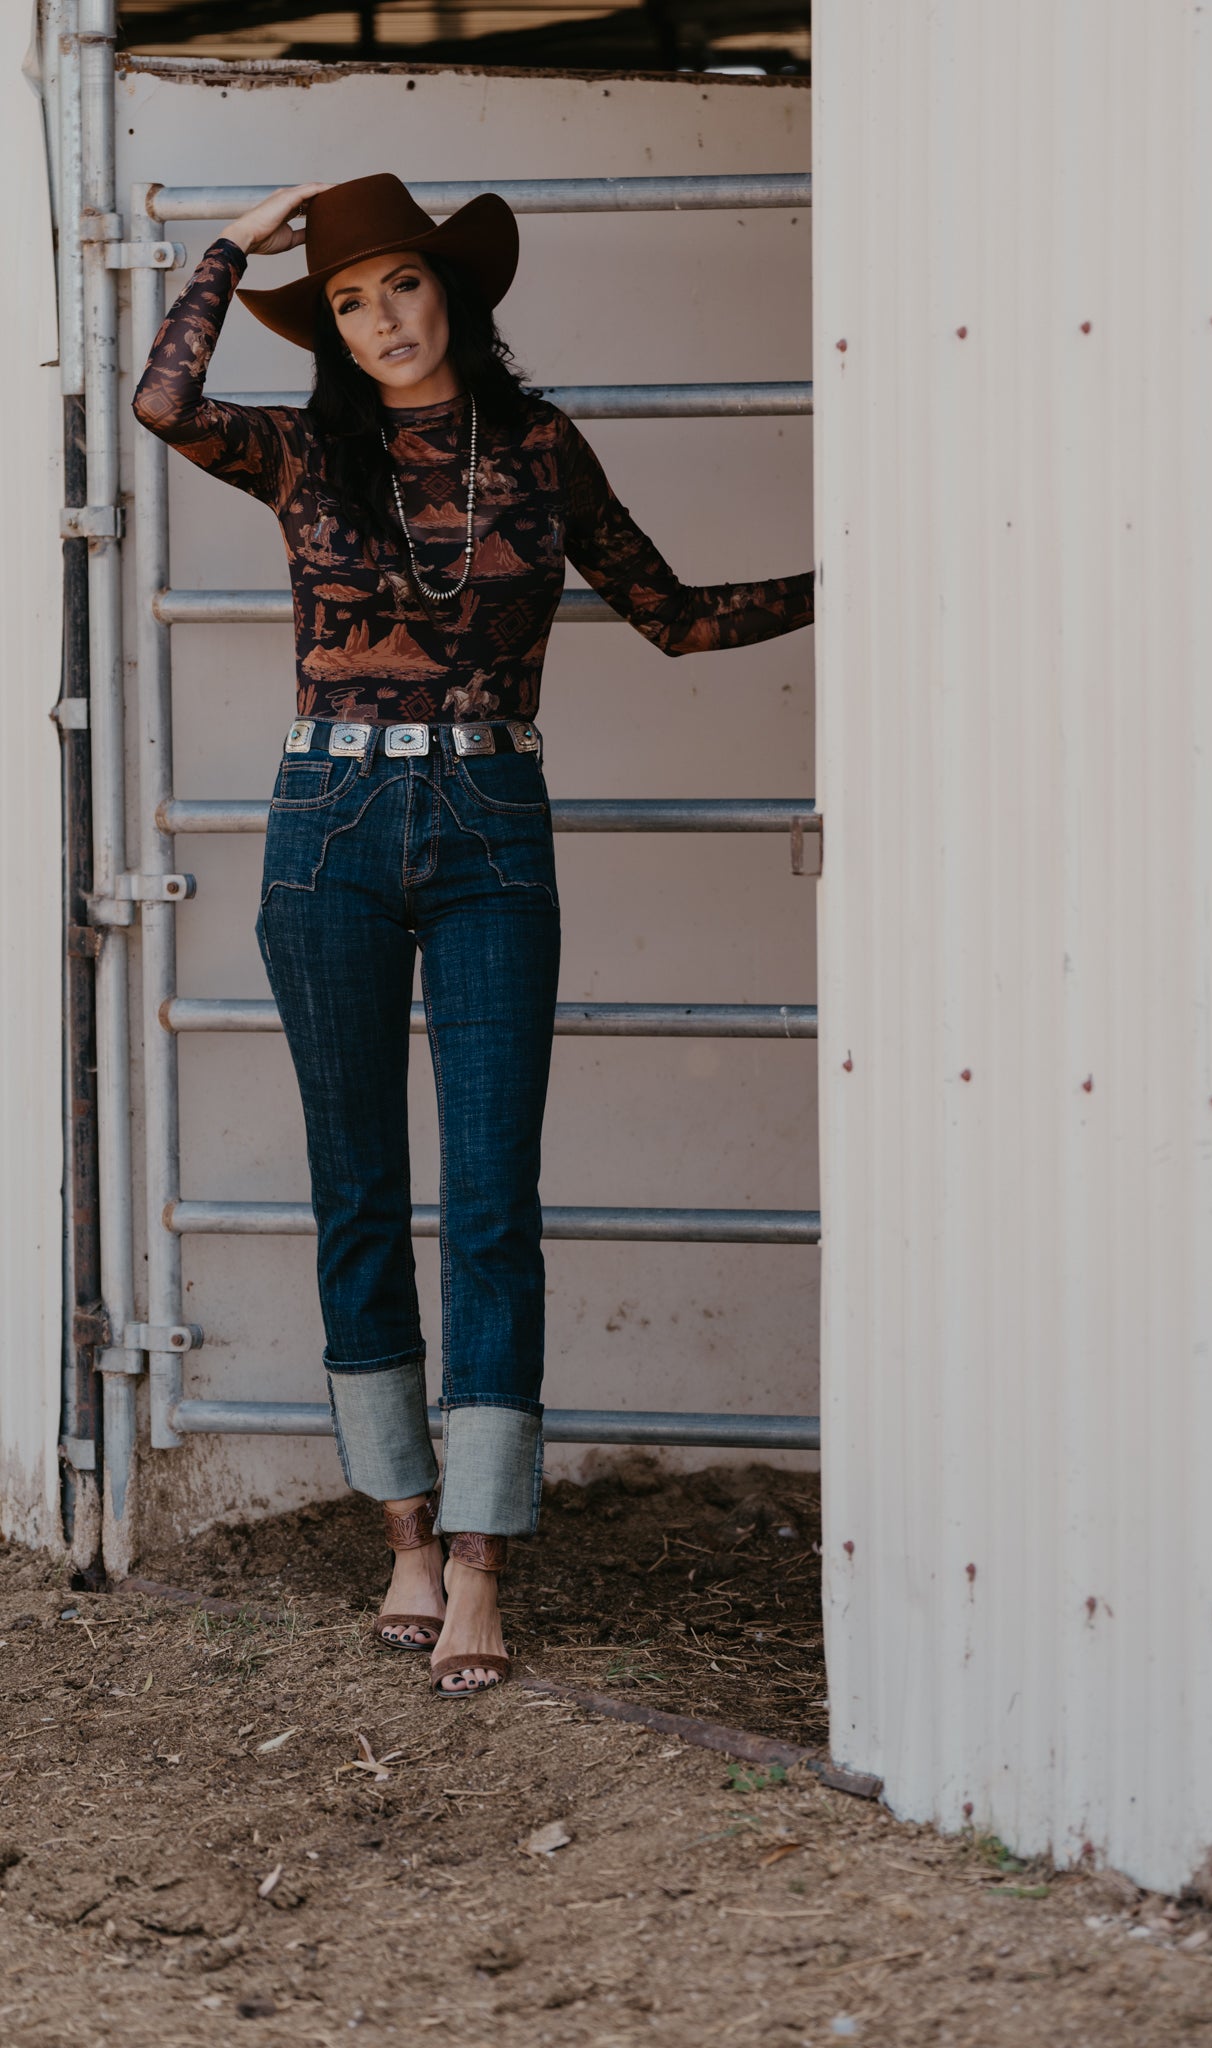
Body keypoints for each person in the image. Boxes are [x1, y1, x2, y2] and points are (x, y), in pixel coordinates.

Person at [132, 173, 815, 1699]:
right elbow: (160, 402)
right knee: (359, 1186)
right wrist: (240, 242)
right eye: (351, 297)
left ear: (456, 294)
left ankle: (489, 1557)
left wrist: (859, 587)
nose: (379, 318)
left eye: (402, 286)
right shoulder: (305, 450)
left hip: (494, 823)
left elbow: (675, 617)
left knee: (493, 1197)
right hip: (329, 829)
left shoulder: (543, 451)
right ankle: (406, 1534)